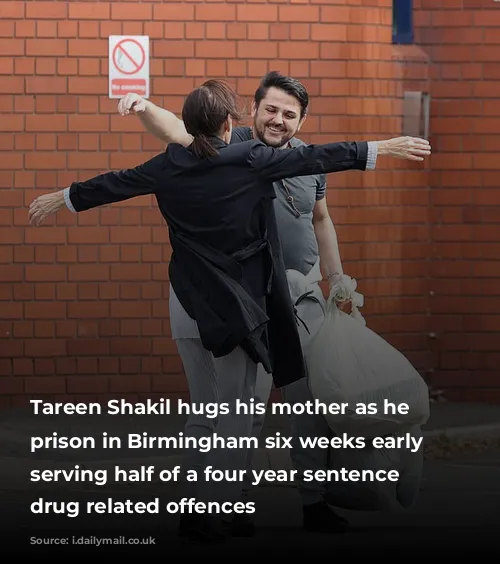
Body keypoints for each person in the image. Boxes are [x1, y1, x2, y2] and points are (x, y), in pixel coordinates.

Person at [29, 79, 430, 543]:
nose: (279, 120)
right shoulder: (249, 156)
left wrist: (67, 196)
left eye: (289, 114)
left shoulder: (169, 166)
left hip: (200, 301)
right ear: (237, 120)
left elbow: (116, 182)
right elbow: (322, 154)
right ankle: (220, 512)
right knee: (239, 414)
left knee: (216, 411)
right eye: (271, 110)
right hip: (244, 303)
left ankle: (216, 510)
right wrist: (379, 148)